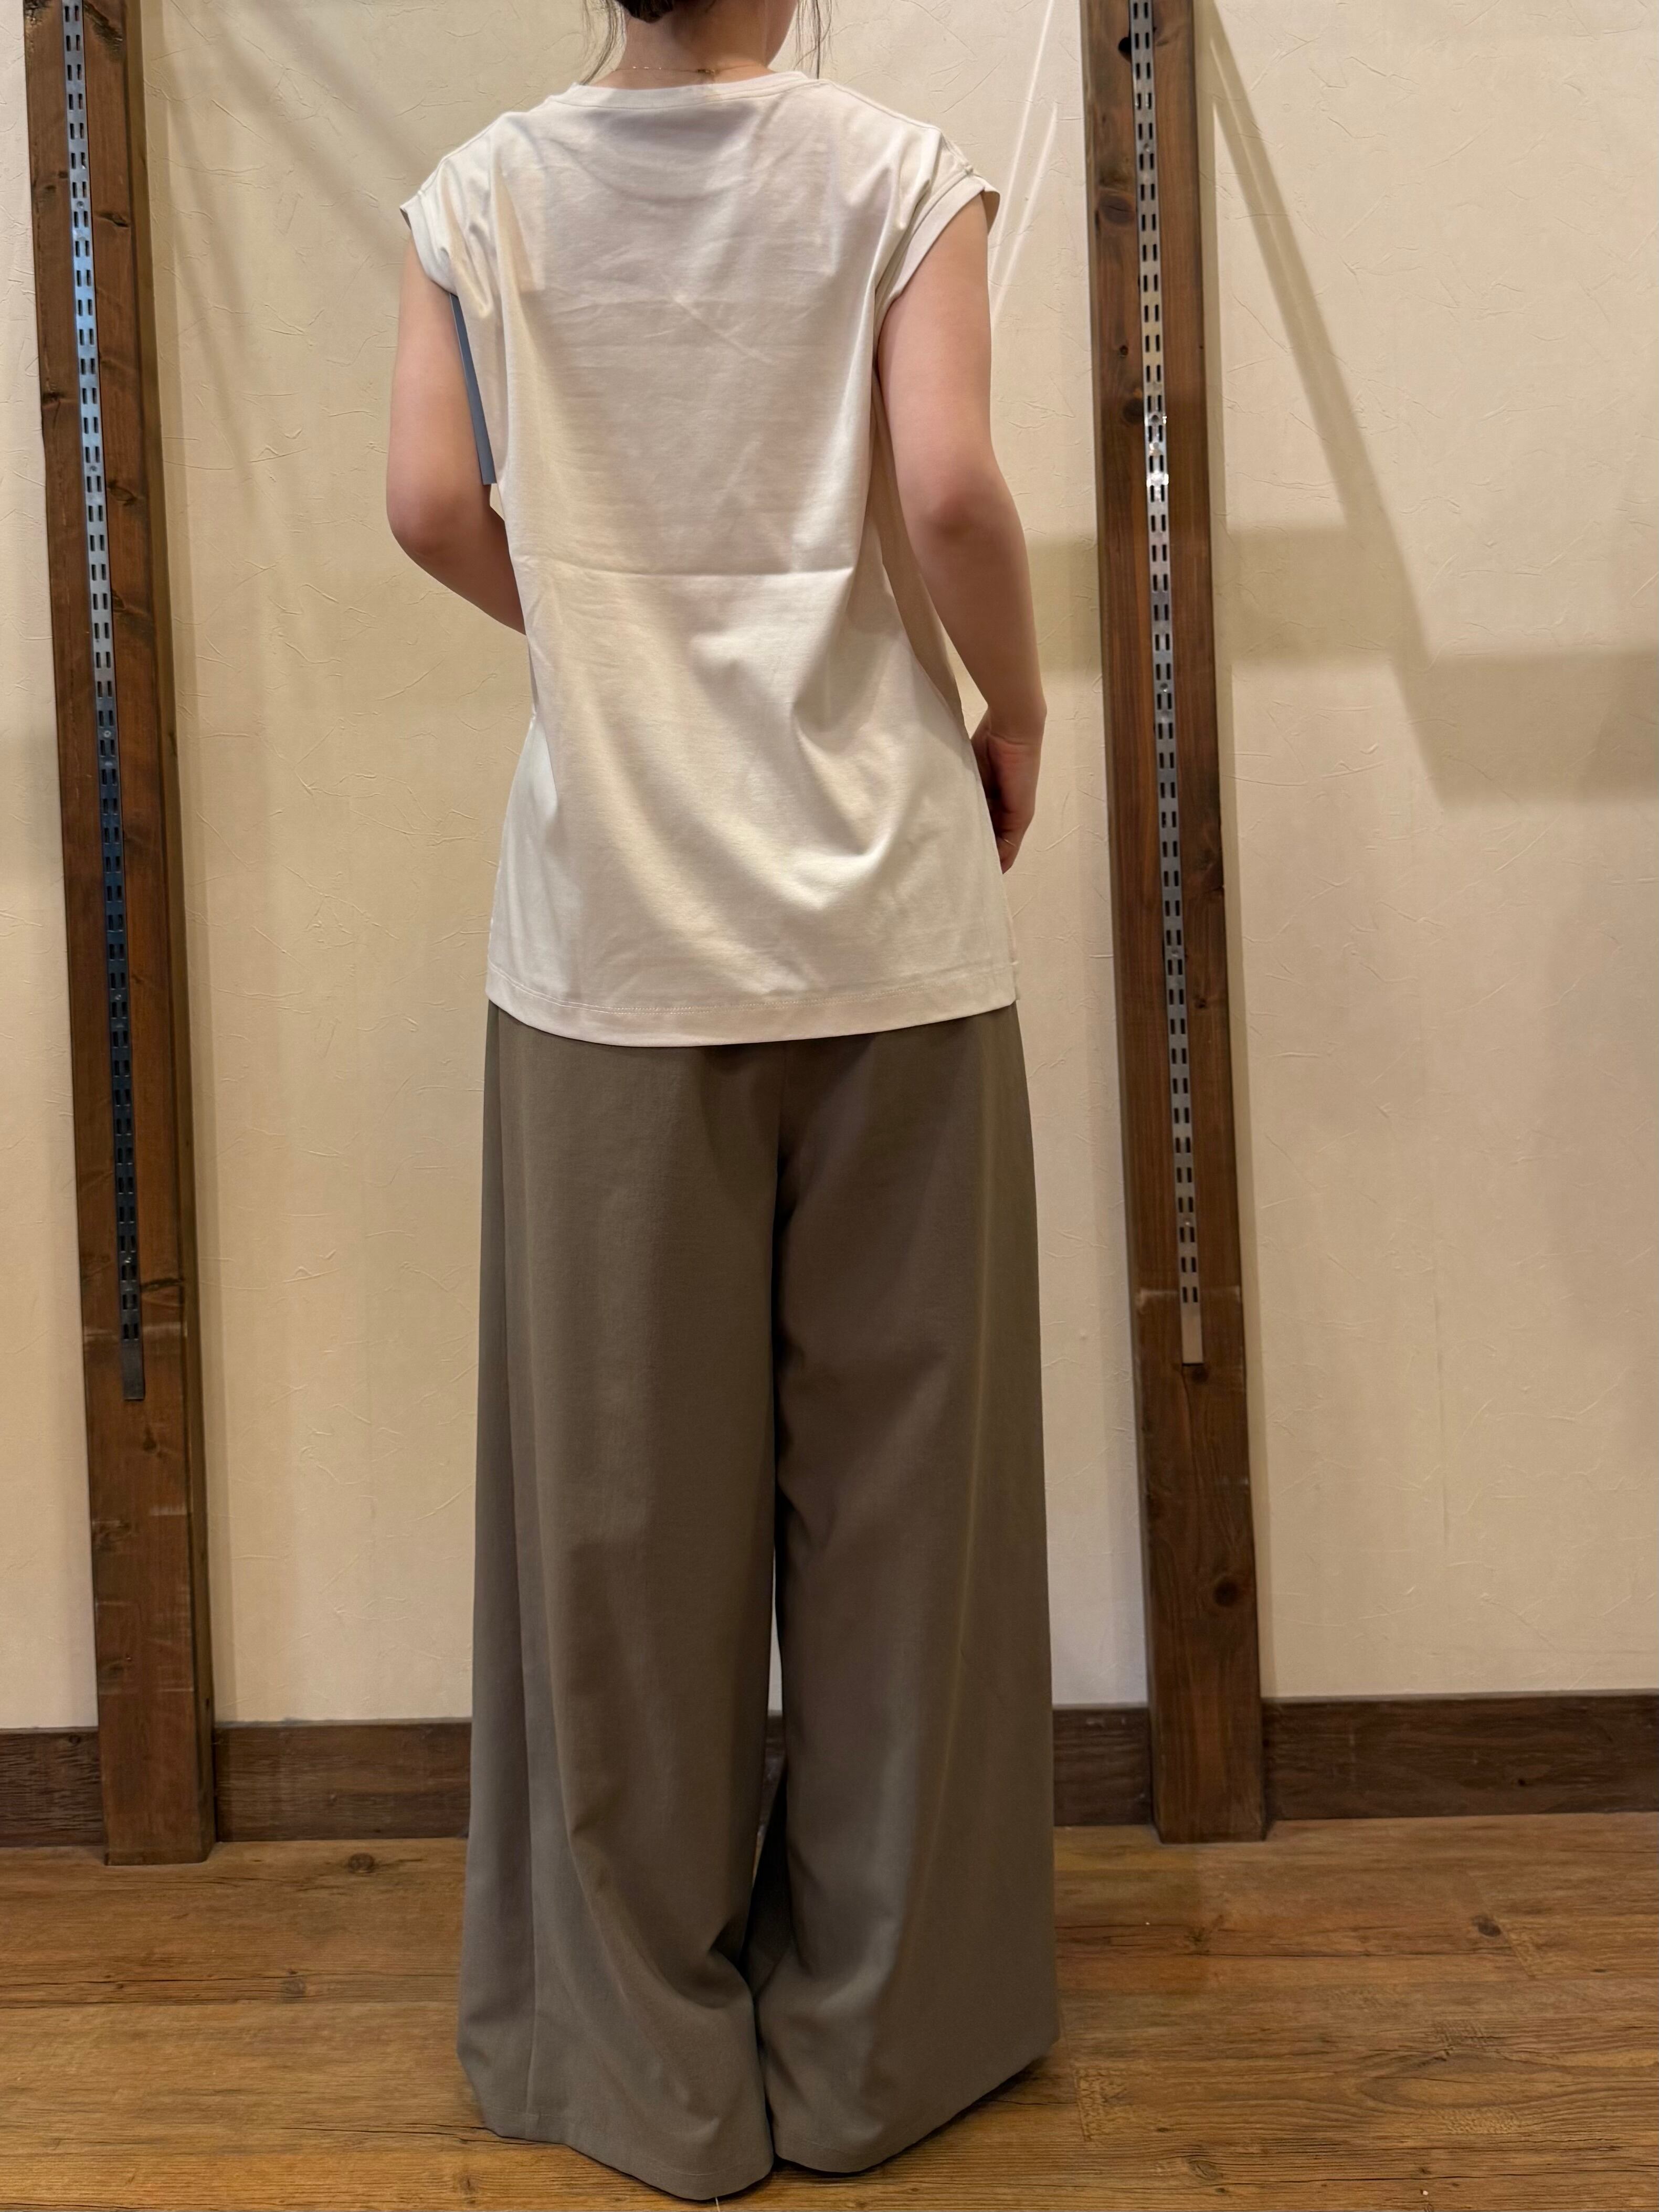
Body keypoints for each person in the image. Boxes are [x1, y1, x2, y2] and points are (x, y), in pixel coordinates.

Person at [385, 0, 1055, 2196]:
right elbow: (946, 490)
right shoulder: (896, 174)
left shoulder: (479, 199)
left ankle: (641, 2063)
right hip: (887, 936)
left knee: (619, 1529)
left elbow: (424, 504)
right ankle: (875, 2046)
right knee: (901, 1516)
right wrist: (1014, 704)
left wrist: (601, 649)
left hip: (609, 948)